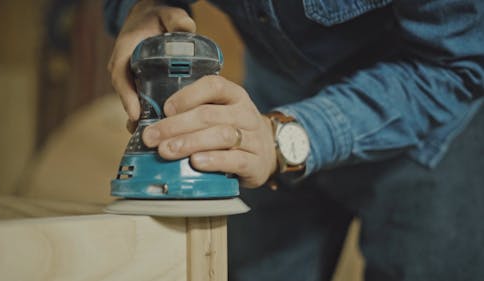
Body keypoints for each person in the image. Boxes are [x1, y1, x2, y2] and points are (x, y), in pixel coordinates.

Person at [104, 1, 484, 280]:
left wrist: (285, 139)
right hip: (269, 106)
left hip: (429, 133)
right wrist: (141, 8)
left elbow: (456, 64)